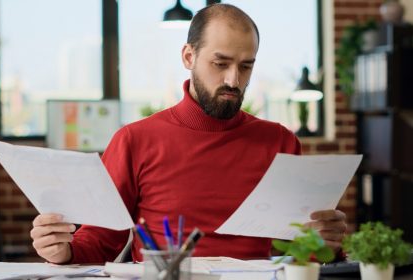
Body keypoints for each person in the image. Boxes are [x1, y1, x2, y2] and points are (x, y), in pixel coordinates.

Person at [30, 3, 347, 264]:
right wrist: (63, 251)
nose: (234, 80)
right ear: (188, 57)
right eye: (220, 63)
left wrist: (325, 246)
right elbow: (102, 239)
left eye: (246, 66)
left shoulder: (279, 140)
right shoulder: (134, 140)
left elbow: (296, 248)